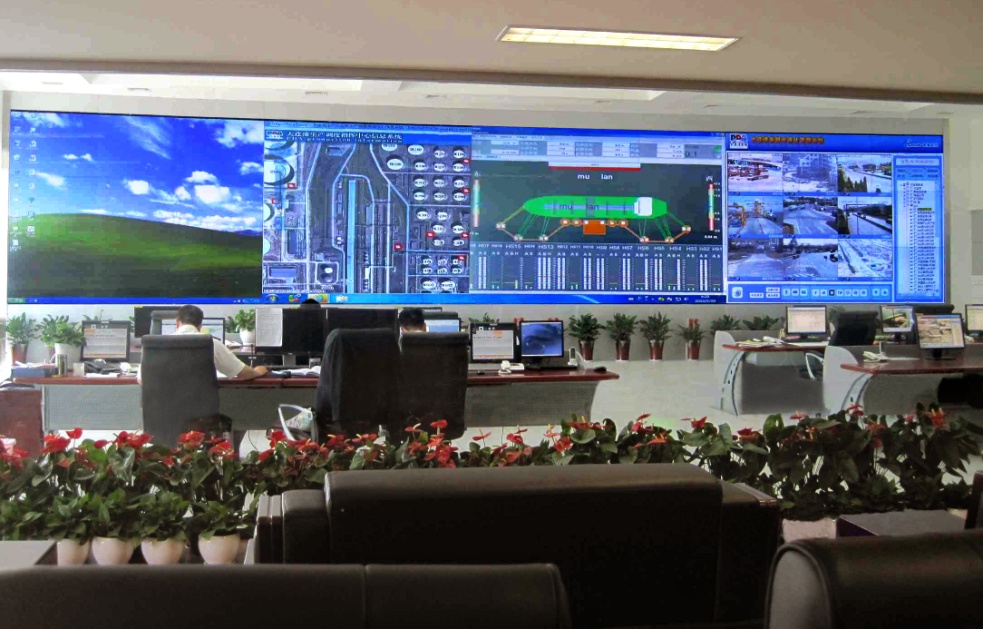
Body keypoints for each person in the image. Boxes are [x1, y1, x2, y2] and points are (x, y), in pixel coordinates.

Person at [172, 305, 269, 380]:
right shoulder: (211, 343)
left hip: (167, 400)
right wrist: (259, 371)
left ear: (177, 322)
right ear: (200, 325)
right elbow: (245, 374)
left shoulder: (162, 344)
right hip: (202, 400)